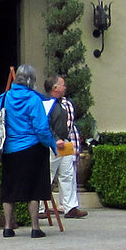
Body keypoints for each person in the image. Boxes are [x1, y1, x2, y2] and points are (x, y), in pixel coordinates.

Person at [0, 65, 57, 238]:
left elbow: (0, 123)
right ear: (31, 80)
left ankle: (8, 227)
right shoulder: (33, 99)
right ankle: (35, 228)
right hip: (32, 149)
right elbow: (41, 128)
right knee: (34, 189)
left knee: (9, 189)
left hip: (9, 150)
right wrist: (51, 143)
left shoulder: (3, 98)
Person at [44, 74, 89, 219]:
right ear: (55, 88)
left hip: (64, 143)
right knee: (48, 175)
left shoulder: (61, 103)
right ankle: (40, 207)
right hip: (53, 144)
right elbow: (44, 125)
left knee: (68, 174)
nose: (65, 87)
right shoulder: (46, 104)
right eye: (62, 85)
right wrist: (55, 139)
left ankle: (70, 207)